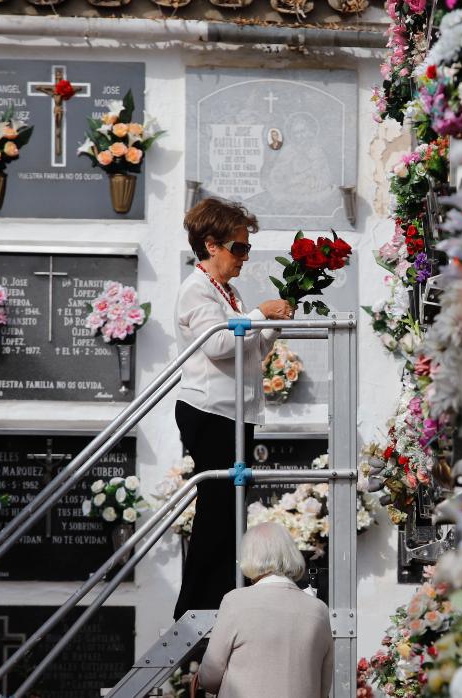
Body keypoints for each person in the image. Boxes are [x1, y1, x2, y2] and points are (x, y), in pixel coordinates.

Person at [174, 197, 294, 620]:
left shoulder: (228, 291)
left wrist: (271, 322)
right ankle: (196, 603)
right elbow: (219, 344)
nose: (244, 257)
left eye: (246, 249)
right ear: (211, 246)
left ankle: (222, 593)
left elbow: (250, 352)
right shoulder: (196, 291)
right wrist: (259, 313)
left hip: (234, 412)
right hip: (210, 410)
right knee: (217, 507)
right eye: (238, 248)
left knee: (231, 509)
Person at [197, 523, 333, 698]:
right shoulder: (319, 609)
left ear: (249, 557)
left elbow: (210, 676)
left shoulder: (235, 601)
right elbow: (324, 684)